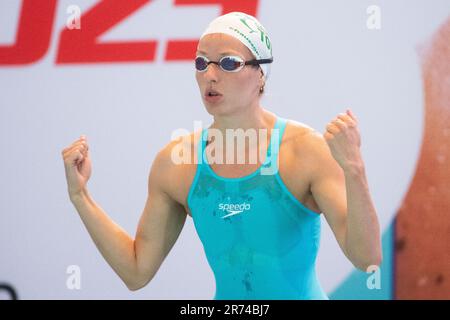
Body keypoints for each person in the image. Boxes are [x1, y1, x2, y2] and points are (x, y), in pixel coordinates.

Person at [61, 12, 381, 300]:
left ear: (261, 75)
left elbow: (366, 259)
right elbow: (135, 271)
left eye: (228, 63)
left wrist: (354, 169)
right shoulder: (176, 164)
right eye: (201, 63)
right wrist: (80, 196)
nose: (210, 75)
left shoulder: (304, 152)